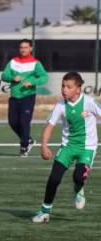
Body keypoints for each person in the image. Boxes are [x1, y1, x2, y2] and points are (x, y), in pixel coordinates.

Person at [32, 72, 101, 223]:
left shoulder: (89, 102)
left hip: (87, 148)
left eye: (69, 87)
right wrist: (43, 146)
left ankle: (78, 188)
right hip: (67, 147)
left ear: (78, 89)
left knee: (78, 177)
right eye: (63, 86)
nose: (64, 89)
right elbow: (49, 126)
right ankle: (44, 212)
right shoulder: (60, 105)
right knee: (54, 179)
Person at [1, 38, 48, 157]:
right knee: (12, 122)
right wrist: (12, 78)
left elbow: (44, 77)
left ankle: (24, 147)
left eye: (26, 47)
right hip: (14, 97)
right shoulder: (13, 61)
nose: (23, 49)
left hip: (28, 97)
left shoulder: (35, 63)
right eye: (21, 47)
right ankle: (28, 140)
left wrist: (31, 82)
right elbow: (4, 75)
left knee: (24, 122)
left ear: (30, 48)